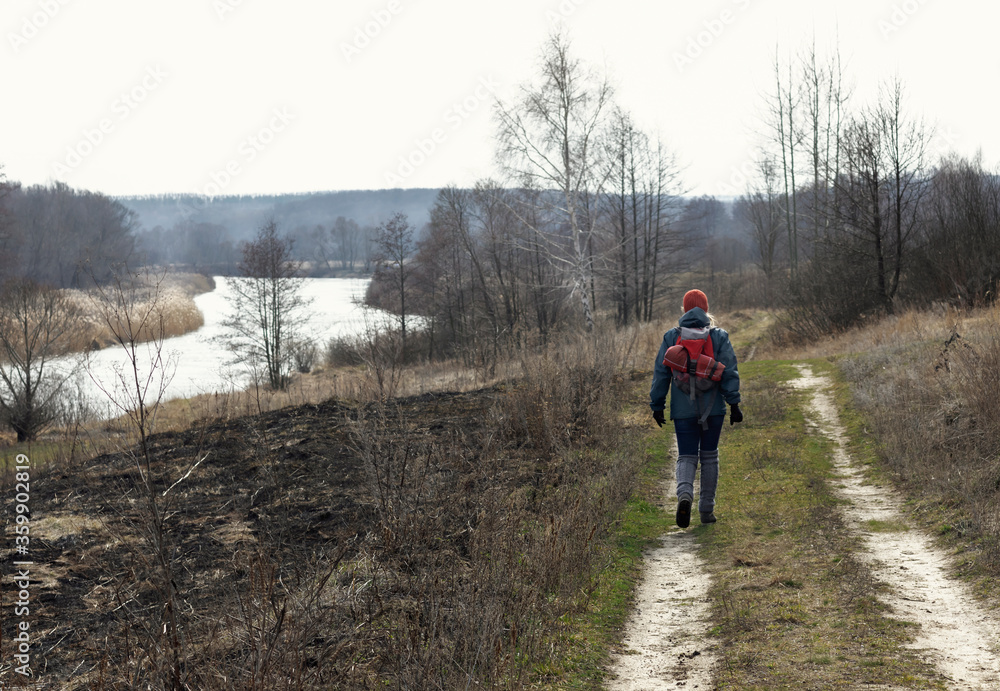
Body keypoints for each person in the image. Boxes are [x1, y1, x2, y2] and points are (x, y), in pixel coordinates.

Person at [649, 289, 742, 528]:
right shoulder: (719, 336)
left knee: (686, 456)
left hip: (682, 410)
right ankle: (706, 510)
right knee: (710, 457)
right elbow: (729, 370)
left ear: (684, 309)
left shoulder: (671, 336)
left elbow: (661, 373)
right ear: (706, 309)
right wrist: (734, 403)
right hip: (714, 410)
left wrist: (657, 405)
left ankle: (684, 496)